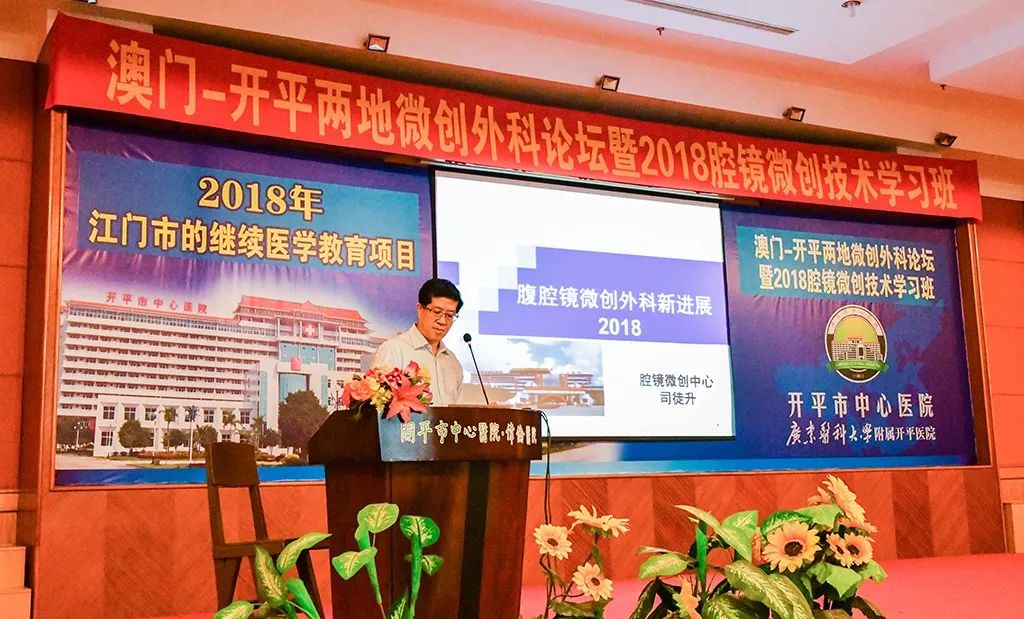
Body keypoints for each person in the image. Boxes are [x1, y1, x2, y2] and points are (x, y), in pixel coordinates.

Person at [370, 278, 465, 406]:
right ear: (420, 309)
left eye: (449, 315)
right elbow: (377, 403)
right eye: (437, 312)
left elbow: (457, 411)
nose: (443, 321)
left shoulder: (452, 362)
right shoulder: (394, 350)